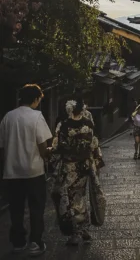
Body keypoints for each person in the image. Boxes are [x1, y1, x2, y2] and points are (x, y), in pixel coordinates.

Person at [0, 84, 52, 256]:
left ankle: (18, 242)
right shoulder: (36, 117)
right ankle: (35, 243)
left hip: (12, 172)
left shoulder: (8, 117)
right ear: (36, 99)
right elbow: (43, 147)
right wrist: (49, 154)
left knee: (16, 209)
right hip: (33, 172)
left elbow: (2, 146)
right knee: (36, 208)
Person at [51, 99, 104, 246]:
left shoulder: (63, 125)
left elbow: (56, 146)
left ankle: (76, 232)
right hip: (85, 165)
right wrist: (97, 163)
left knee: (71, 198)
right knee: (80, 196)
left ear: (69, 110)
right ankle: (84, 228)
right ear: (82, 110)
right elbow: (94, 144)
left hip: (69, 166)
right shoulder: (88, 124)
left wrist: (52, 160)